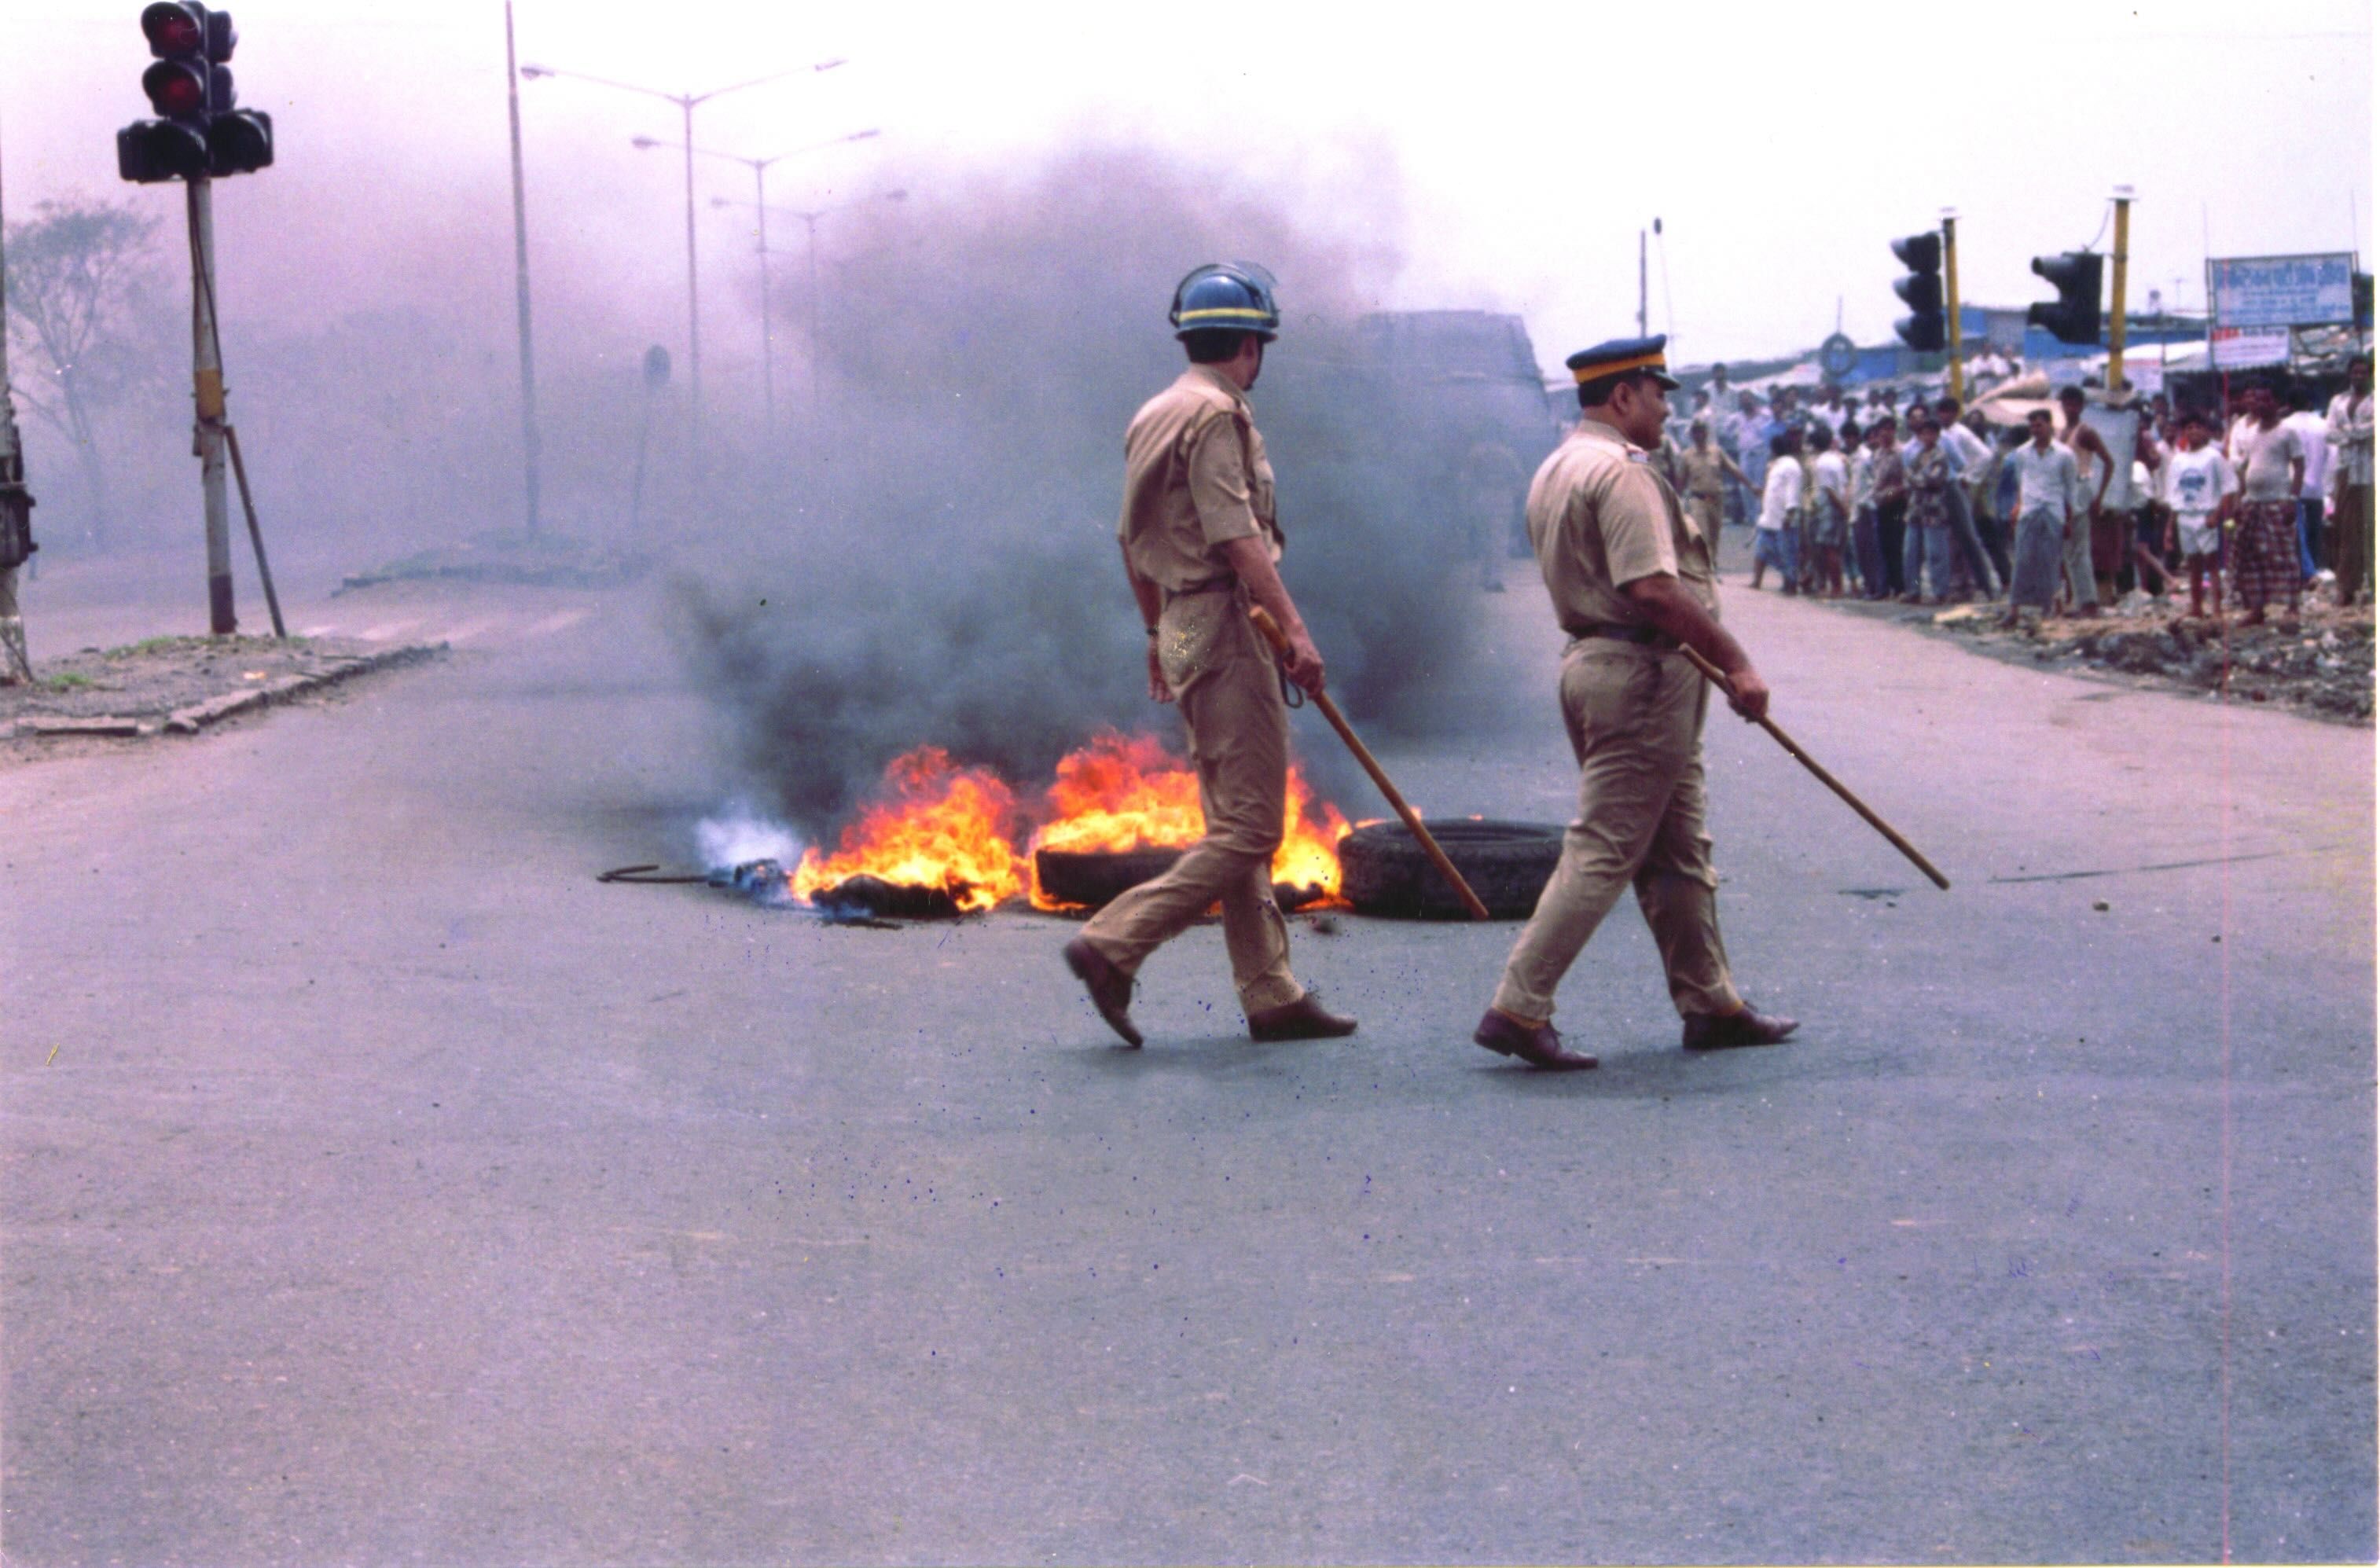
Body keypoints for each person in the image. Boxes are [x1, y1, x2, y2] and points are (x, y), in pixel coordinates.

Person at [1472, 334, 1794, 1071]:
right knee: (1607, 844)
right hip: (1641, 673)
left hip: (1602, 664)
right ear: (1623, 396)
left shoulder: (1558, 465)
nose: (1666, 410)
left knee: (1677, 846)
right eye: (1656, 395)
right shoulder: (1621, 472)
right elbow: (1651, 588)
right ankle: (1518, 1005)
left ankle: (1711, 1002)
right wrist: (1737, 662)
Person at [1063, 263, 1357, 1048]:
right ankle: (1113, 942)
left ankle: (1270, 992)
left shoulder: (1155, 411)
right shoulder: (1218, 415)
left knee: (1233, 814)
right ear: (1249, 347)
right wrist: (1296, 632)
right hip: (1226, 618)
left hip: (1181, 619)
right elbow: (1235, 537)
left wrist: (1157, 636)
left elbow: (1129, 538)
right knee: (1253, 826)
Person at [2226, 381, 2307, 625]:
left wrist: (2292, 499)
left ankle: (2292, 606)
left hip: (2278, 501)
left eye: (2266, 400)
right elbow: (2245, 468)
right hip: (2253, 502)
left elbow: (2299, 466)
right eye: (2257, 400)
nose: (2260, 405)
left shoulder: (2287, 432)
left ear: (2276, 403)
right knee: (2252, 557)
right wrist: (2239, 500)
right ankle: (2257, 609)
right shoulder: (2250, 433)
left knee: (2284, 555)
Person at [2002, 408, 2082, 625]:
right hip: (2029, 509)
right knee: (2022, 560)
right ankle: (2014, 609)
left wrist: (2070, 518)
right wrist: (2018, 506)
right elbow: (2021, 482)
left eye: (2039, 425)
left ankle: (2051, 608)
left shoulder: (2065, 454)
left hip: (2053, 510)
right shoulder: (2022, 453)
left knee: (2051, 562)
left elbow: (2070, 488)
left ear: (2049, 425)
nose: (2036, 429)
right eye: (2032, 426)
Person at [2160, 409, 2236, 619]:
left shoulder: (2214, 457)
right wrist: (2169, 527)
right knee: (2193, 564)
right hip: (2185, 515)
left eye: (2198, 427)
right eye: (2189, 428)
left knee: (2212, 564)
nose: (2194, 431)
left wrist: (2217, 515)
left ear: (2207, 432)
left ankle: (2217, 609)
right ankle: (2196, 606)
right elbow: (2174, 495)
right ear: (2183, 432)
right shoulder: (2179, 460)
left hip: (2206, 515)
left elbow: (2228, 489)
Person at [2055, 387, 2114, 615]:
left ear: (2081, 407)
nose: (2070, 408)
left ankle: (2089, 602)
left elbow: (2109, 462)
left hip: (2080, 488)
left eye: (2074, 404)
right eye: (2066, 404)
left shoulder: (2085, 431)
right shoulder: (2061, 432)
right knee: (2068, 549)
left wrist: (2100, 496)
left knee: (2079, 548)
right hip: (2064, 491)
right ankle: (2077, 600)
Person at [2327, 354, 2374, 605]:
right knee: (2346, 529)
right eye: (2355, 372)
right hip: (2346, 470)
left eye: (2363, 372)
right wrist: (2356, 434)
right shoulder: (2338, 401)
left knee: (2372, 528)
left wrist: (2349, 433)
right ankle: (2347, 586)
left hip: (2371, 470)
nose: (2358, 376)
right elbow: (2330, 434)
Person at [1678, 418, 1750, 574]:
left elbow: (1733, 469)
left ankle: (1712, 564)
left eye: (1701, 431)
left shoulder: (1717, 452)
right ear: (1692, 435)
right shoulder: (1687, 456)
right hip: (1698, 499)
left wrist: (1750, 485)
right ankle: (1705, 568)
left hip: (1716, 499)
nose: (1699, 435)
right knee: (1702, 533)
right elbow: (1681, 481)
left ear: (1706, 433)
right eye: (1696, 432)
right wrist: (1677, 501)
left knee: (1714, 535)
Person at [1458, 435, 1526, 593]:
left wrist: (1466, 500)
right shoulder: (1507, 454)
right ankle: (1494, 579)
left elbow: (1465, 479)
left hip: (1481, 496)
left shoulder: (1476, 453)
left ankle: (1484, 576)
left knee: (1484, 538)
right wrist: (1514, 495)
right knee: (1499, 539)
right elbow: (1519, 478)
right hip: (1502, 496)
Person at [1901, 416, 1956, 603]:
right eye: (1924, 433)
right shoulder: (1917, 455)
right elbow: (1908, 476)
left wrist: (1913, 479)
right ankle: (1913, 590)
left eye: (1931, 433)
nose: (1927, 437)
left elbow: (1932, 480)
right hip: (1915, 508)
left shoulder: (1940, 456)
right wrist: (1914, 479)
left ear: (1937, 435)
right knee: (1911, 552)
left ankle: (1940, 592)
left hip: (1934, 509)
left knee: (1936, 552)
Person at [1750, 428, 1803, 593]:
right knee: (1762, 550)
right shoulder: (1775, 466)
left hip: (1783, 518)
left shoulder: (1791, 466)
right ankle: (1757, 581)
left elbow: (1792, 491)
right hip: (1769, 517)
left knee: (1787, 553)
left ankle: (1791, 583)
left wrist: (1790, 514)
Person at [1808, 424, 1850, 597]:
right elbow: (1844, 485)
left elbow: (1829, 490)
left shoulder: (1822, 464)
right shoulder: (1836, 460)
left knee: (1829, 549)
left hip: (1830, 508)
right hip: (1836, 506)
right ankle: (1834, 586)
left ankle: (1836, 588)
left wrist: (1842, 509)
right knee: (1832, 548)